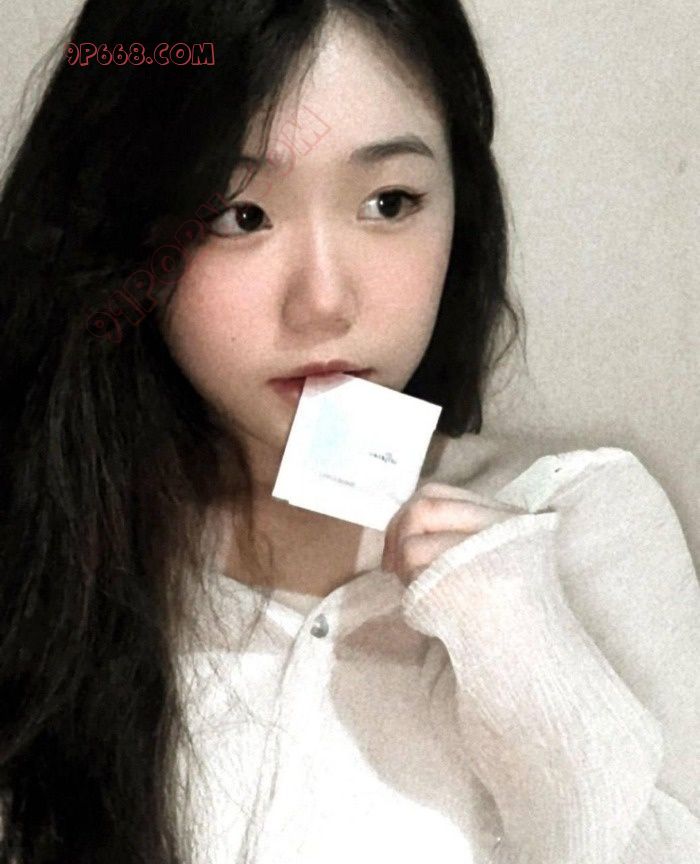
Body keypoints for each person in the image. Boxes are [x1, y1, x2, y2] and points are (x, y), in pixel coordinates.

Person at [0, 1, 698, 863]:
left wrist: (522, 649)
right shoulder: (54, 563)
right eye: (239, 215)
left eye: (389, 202)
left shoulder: (581, 520)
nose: (325, 302)